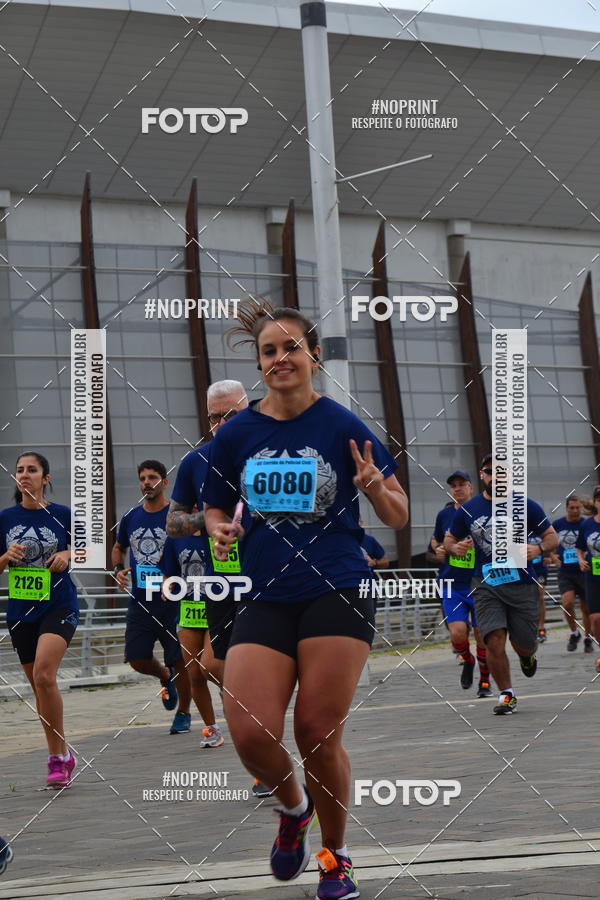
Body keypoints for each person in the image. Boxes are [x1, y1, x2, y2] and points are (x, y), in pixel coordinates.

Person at [202, 301, 408, 900]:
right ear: (261, 364)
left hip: (335, 587)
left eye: (291, 347)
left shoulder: (342, 426)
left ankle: (335, 856)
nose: (280, 358)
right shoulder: (239, 432)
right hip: (265, 592)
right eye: (269, 351)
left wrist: (373, 487)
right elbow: (216, 503)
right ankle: (294, 809)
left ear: (313, 356)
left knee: (317, 731)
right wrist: (219, 526)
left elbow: (398, 513)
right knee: (249, 729)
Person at [166, 381, 249, 752]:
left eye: (229, 414)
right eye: (214, 416)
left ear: (247, 410)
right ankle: (248, 730)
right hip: (219, 581)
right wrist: (212, 523)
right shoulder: (196, 461)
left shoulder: (268, 454)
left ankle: (262, 741)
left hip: (268, 576)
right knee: (211, 666)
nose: (221, 423)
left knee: (264, 666)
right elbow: (173, 523)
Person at [444, 454, 558, 716]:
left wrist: (538, 549)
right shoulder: (468, 510)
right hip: (485, 585)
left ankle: (527, 656)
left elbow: (551, 536)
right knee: (492, 639)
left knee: (524, 644)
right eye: (489, 471)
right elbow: (448, 541)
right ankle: (506, 694)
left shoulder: (526, 506)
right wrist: (455, 547)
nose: (495, 476)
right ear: (483, 476)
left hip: (521, 585)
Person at [1, 452, 77, 788]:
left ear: (46, 477)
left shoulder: (62, 515)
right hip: (21, 612)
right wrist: (5, 557)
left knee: (45, 675)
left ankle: (56, 760)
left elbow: (94, 550)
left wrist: (67, 553)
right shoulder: (5, 518)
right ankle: (61, 751)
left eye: (32, 470)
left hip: (58, 604)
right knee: (40, 688)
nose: (25, 475)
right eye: (20, 470)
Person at [112, 460, 191, 732]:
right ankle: (163, 676)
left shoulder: (176, 515)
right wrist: (118, 570)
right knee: (137, 657)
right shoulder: (131, 517)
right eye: (143, 478)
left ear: (164, 482)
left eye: (153, 477)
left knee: (178, 657)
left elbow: (191, 549)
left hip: (172, 598)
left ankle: (184, 712)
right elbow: (118, 546)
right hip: (140, 599)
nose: (147, 482)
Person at [430, 470, 491, 697]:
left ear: (471, 487)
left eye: (462, 484)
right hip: (451, 583)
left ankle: (485, 680)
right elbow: (435, 543)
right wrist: (439, 549)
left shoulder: (479, 511)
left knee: (482, 634)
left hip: (479, 583)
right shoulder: (444, 515)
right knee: (458, 633)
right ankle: (467, 659)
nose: (457, 488)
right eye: (453, 485)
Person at [160, 532, 222, 746]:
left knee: (210, 666)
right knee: (194, 674)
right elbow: (169, 573)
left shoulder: (219, 530)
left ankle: (233, 689)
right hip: (188, 610)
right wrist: (166, 587)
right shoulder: (176, 537)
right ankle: (212, 730)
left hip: (218, 606)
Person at [551, 497, 592, 652]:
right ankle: (574, 633)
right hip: (565, 572)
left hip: (583, 571)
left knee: (586, 608)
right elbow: (548, 541)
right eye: (572, 508)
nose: (575, 511)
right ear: (566, 508)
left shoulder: (585, 524)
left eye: (578, 508)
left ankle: (588, 637)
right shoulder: (558, 524)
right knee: (567, 603)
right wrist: (554, 557)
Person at [576, 486, 600, 671]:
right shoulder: (587, 525)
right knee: (595, 620)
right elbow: (579, 547)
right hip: (593, 577)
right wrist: (581, 560)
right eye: (598, 499)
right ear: (595, 503)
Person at [528, 532, 549, 643]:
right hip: (525, 569)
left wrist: (549, 556)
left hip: (540, 569)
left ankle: (541, 628)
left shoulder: (540, 528)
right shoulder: (519, 527)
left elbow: (551, 543)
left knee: (540, 596)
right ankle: (531, 628)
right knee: (527, 599)